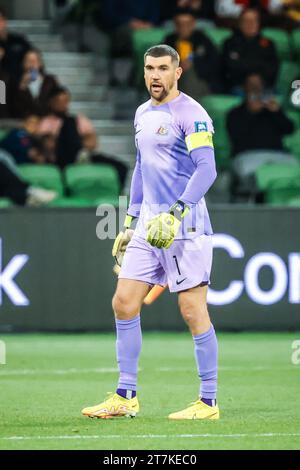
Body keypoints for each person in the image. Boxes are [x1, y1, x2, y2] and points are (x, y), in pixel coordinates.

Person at [82, 44, 219, 420]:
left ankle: (208, 402)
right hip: (148, 226)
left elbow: (207, 170)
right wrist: (129, 222)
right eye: (148, 68)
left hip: (186, 226)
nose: (155, 75)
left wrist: (177, 212)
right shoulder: (143, 113)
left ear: (178, 72)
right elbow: (141, 168)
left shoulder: (192, 114)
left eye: (162, 68)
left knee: (192, 310)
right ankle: (125, 396)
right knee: (123, 302)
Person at [39, 87, 128, 188]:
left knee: (121, 167)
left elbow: (92, 143)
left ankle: (121, 200)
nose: (64, 105)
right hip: (61, 158)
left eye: (66, 101)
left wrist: (75, 141)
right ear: (52, 102)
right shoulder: (46, 122)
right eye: (60, 101)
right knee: (68, 123)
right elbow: (49, 145)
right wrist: (77, 138)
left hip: (84, 155)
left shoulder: (79, 119)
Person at [227, 73, 294, 156]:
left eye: (259, 84)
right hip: (247, 155)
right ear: (244, 88)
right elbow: (236, 138)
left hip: (277, 154)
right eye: (251, 84)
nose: (256, 88)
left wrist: (277, 112)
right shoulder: (235, 113)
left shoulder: (272, 110)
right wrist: (250, 113)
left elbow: (289, 129)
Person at [165, 8, 220, 99]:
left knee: (189, 73)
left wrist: (194, 63)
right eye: (180, 24)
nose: (184, 28)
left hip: (200, 82)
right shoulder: (169, 41)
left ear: (193, 24)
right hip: (173, 82)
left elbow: (214, 64)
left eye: (187, 24)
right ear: (175, 25)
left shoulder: (203, 40)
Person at [221, 8, 279, 93]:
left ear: (258, 24)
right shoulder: (230, 43)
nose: (250, 24)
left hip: (264, 87)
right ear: (240, 24)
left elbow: (273, 67)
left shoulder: (268, 44)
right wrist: (249, 78)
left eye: (254, 21)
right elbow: (230, 68)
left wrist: (258, 78)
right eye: (246, 21)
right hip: (238, 87)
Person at [10, 48, 59, 119]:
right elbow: (14, 107)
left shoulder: (50, 81)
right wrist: (22, 86)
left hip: (46, 121)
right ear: (23, 64)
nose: (32, 64)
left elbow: (56, 103)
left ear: (40, 63)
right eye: (28, 61)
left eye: (35, 61)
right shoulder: (15, 81)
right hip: (25, 122)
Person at [0, 6, 31, 77]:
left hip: (20, 84)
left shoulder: (19, 41)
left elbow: (34, 62)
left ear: (5, 21)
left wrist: (32, 78)